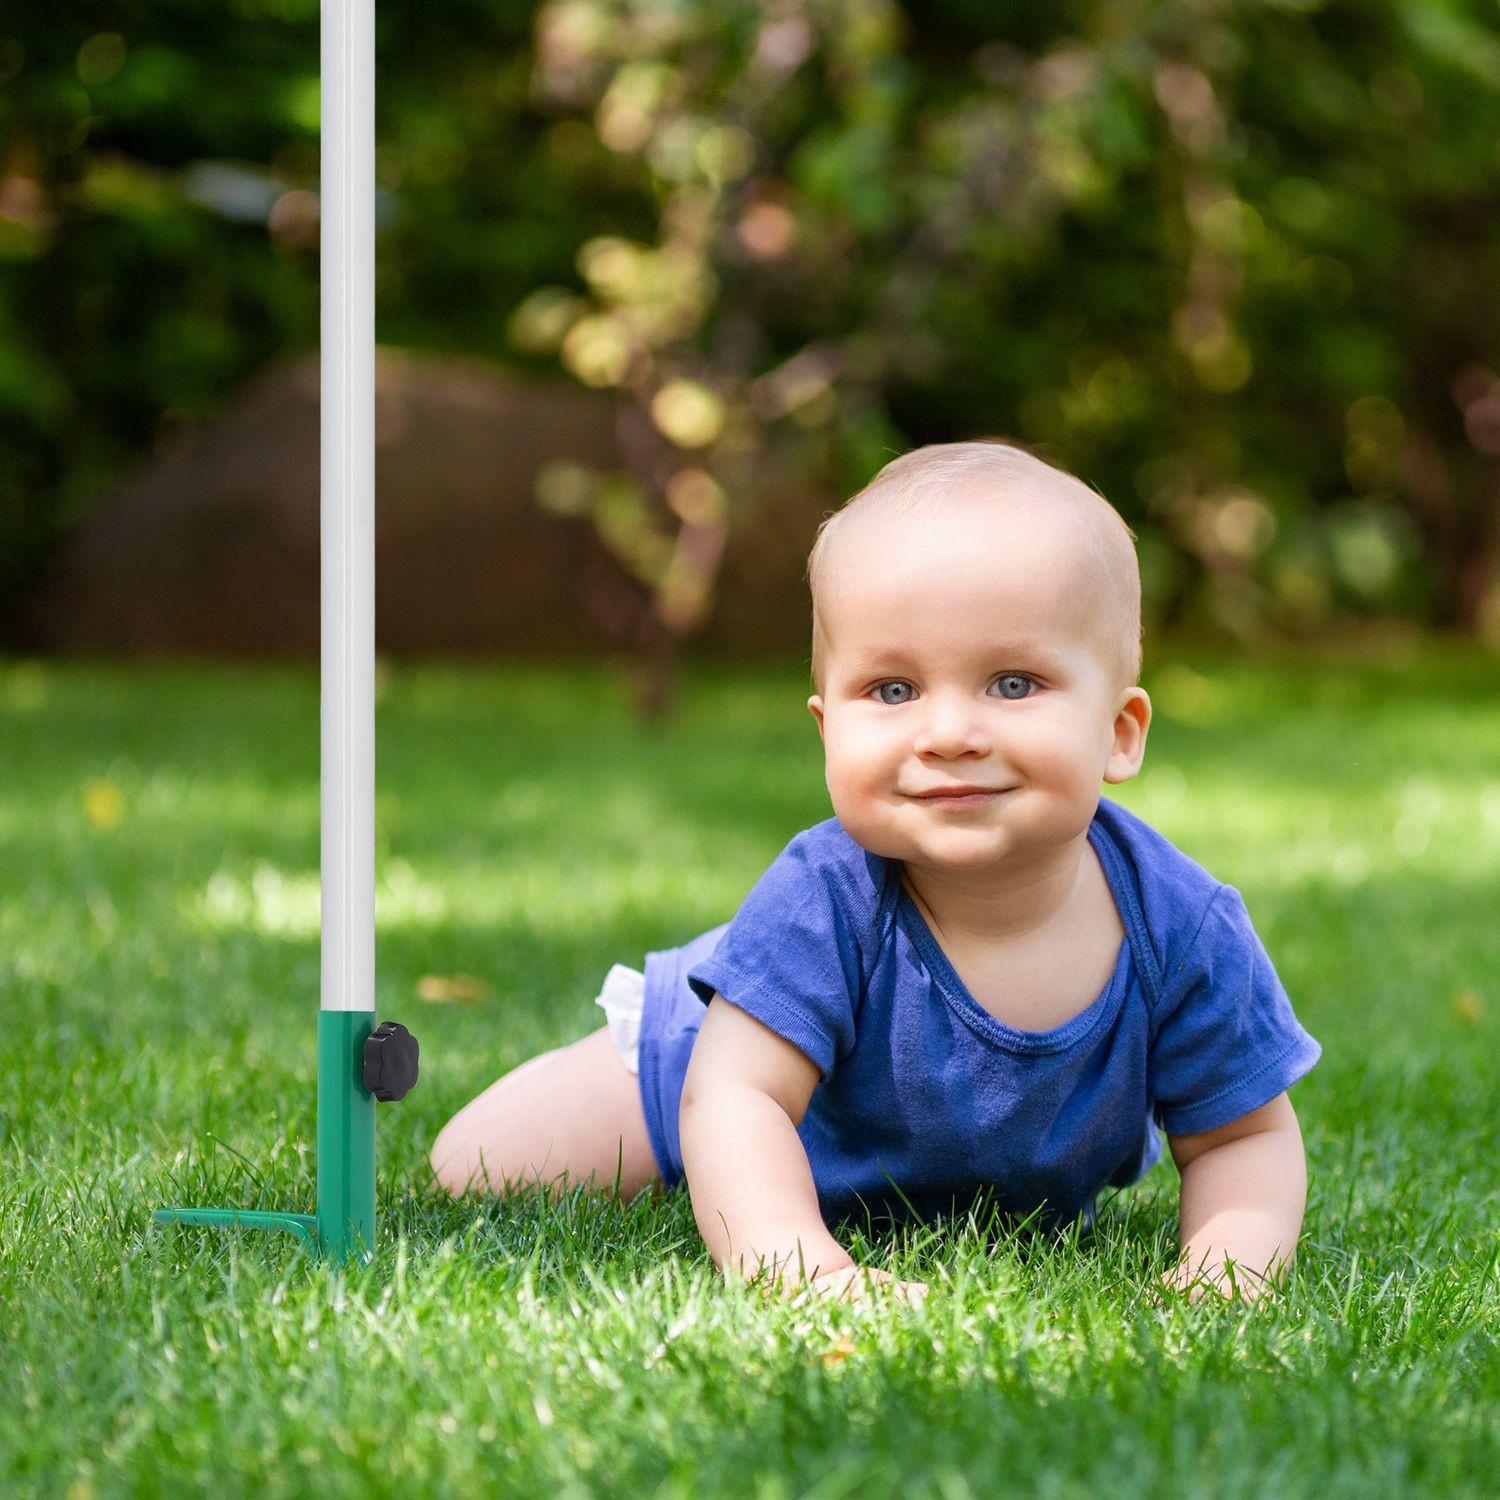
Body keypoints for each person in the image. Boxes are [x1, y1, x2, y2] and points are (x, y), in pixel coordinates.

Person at [429, 441, 1321, 1306]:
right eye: (894, 691)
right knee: (479, 1168)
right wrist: (800, 1269)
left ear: (1119, 733)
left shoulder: (1181, 926)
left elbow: (1242, 1139)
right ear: (829, 731)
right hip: (700, 1068)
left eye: (1012, 684)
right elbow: (736, 1097)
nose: (949, 733)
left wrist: (1226, 1273)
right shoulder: (826, 894)